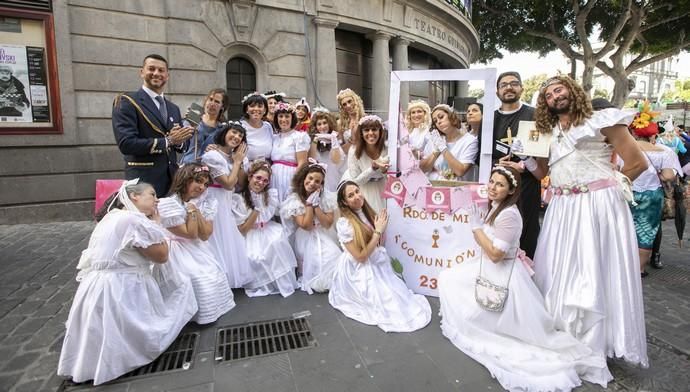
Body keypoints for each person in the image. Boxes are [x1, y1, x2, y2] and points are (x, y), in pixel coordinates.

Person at [439, 166, 611, 391]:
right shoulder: (496, 207)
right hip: (488, 270)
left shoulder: (509, 215)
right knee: (449, 278)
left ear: (511, 190)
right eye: (491, 182)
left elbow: (495, 255)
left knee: (451, 281)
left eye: (500, 184)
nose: (492, 187)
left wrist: (476, 228)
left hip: (502, 275)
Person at [532, 75, 649, 367]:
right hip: (560, 207)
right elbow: (542, 172)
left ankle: (594, 339)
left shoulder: (603, 119)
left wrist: (611, 190)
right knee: (560, 268)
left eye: (558, 89)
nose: (554, 96)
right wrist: (524, 161)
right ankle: (563, 330)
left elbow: (638, 163)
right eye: (548, 95)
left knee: (591, 270)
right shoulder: (549, 131)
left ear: (572, 91)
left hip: (595, 205)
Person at [57, 180, 197, 385]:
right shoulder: (134, 220)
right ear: (135, 197)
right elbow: (161, 256)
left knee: (100, 331)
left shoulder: (110, 218)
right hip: (122, 286)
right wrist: (156, 223)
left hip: (96, 285)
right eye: (152, 194)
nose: (156, 200)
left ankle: (90, 365)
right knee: (180, 292)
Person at [329, 181, 431, 332]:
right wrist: (378, 231)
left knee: (400, 297)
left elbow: (378, 244)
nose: (357, 196)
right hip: (358, 268)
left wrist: (380, 231)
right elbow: (361, 257)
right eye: (351, 195)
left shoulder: (367, 213)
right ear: (344, 202)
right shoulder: (344, 224)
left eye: (357, 191)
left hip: (375, 260)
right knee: (387, 302)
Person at [154, 164, 235, 324]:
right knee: (195, 277)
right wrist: (192, 211)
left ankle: (209, 311)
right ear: (185, 179)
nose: (202, 187)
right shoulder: (168, 204)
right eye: (198, 181)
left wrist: (195, 210)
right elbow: (190, 234)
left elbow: (205, 235)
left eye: (205, 184)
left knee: (213, 273)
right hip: (175, 249)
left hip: (196, 247)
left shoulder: (201, 204)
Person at [112, 54, 194, 197]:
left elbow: (182, 146)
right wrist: (169, 141)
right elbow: (126, 144)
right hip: (143, 184)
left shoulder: (173, 108)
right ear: (142, 72)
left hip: (172, 183)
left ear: (167, 75)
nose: (156, 73)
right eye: (151, 69)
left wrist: (180, 141)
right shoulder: (127, 101)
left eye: (161, 70)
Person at [622, 107, 681, 276]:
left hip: (627, 193)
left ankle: (623, 265)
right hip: (652, 197)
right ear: (653, 134)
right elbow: (669, 176)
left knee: (625, 228)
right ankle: (638, 269)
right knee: (646, 232)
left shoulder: (624, 149)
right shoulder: (665, 151)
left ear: (633, 133)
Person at [491, 71, 541, 259]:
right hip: (498, 186)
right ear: (497, 91)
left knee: (527, 231)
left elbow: (542, 153)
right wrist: (497, 163)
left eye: (514, 83)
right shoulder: (490, 119)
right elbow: (480, 156)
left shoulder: (534, 115)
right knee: (499, 230)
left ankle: (525, 276)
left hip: (527, 185)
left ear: (521, 88)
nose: (509, 87)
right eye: (504, 85)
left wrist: (525, 163)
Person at [233, 161, 298, 297]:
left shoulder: (270, 196)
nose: (261, 182)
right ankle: (262, 283)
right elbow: (243, 230)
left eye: (265, 180)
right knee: (255, 255)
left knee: (276, 243)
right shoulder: (238, 199)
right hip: (250, 233)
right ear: (250, 176)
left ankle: (280, 282)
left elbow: (277, 212)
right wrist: (256, 209)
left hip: (268, 229)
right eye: (258, 178)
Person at [201, 122, 252, 288]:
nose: (236, 137)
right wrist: (236, 163)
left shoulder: (233, 158)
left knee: (227, 239)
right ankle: (215, 281)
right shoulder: (212, 156)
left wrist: (240, 161)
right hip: (213, 200)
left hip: (226, 202)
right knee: (216, 238)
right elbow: (228, 184)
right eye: (234, 133)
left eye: (240, 136)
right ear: (224, 132)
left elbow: (241, 184)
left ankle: (227, 278)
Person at [280, 162, 342, 294]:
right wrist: (308, 205)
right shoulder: (295, 199)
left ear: (321, 185)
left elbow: (327, 224)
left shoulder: (327, 197)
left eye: (317, 181)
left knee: (335, 256)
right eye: (310, 178)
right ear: (304, 178)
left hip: (323, 233)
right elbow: (306, 226)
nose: (312, 183)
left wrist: (316, 205)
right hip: (305, 238)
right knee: (317, 262)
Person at [343, 115, 389, 213]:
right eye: (366, 130)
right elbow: (356, 181)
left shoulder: (387, 148)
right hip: (364, 192)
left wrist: (385, 171)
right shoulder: (354, 150)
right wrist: (372, 169)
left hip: (385, 190)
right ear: (361, 133)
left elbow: (393, 174)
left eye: (374, 129)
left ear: (380, 131)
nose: (370, 133)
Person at [420, 104, 478, 182]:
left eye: (441, 117)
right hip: (434, 188)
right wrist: (436, 152)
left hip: (457, 189)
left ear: (451, 116)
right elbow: (422, 169)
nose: (439, 122)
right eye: (435, 121)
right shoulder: (435, 139)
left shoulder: (470, 141)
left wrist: (443, 149)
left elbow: (460, 171)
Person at [270, 102, 310, 203]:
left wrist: (293, 183)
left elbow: (302, 163)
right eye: (280, 116)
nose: (283, 119)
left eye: (287, 116)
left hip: (290, 177)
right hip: (274, 178)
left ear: (292, 118)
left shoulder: (299, 137)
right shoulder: (274, 138)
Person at [180, 88, 228, 164]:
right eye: (210, 99)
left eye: (217, 102)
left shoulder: (222, 128)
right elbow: (181, 143)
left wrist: (218, 149)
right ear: (206, 101)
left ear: (222, 106)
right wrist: (189, 127)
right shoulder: (194, 118)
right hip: (188, 165)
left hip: (209, 168)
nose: (212, 104)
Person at [308, 107, 345, 191]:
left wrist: (333, 141)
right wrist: (315, 140)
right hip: (318, 179)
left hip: (333, 176)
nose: (322, 126)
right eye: (319, 124)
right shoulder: (312, 141)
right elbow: (311, 159)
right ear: (315, 126)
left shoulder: (335, 139)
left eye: (325, 123)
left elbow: (336, 160)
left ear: (329, 124)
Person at [240, 92, 273, 162]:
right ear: (246, 109)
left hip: (267, 168)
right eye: (252, 106)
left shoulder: (268, 126)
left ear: (264, 110)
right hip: (247, 169)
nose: (256, 109)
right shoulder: (240, 126)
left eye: (260, 106)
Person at [337, 88, 365, 153]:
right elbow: (340, 151)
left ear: (355, 101)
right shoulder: (340, 123)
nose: (348, 106)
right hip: (348, 158)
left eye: (349, 101)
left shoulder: (366, 118)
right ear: (342, 108)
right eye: (344, 104)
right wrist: (352, 140)